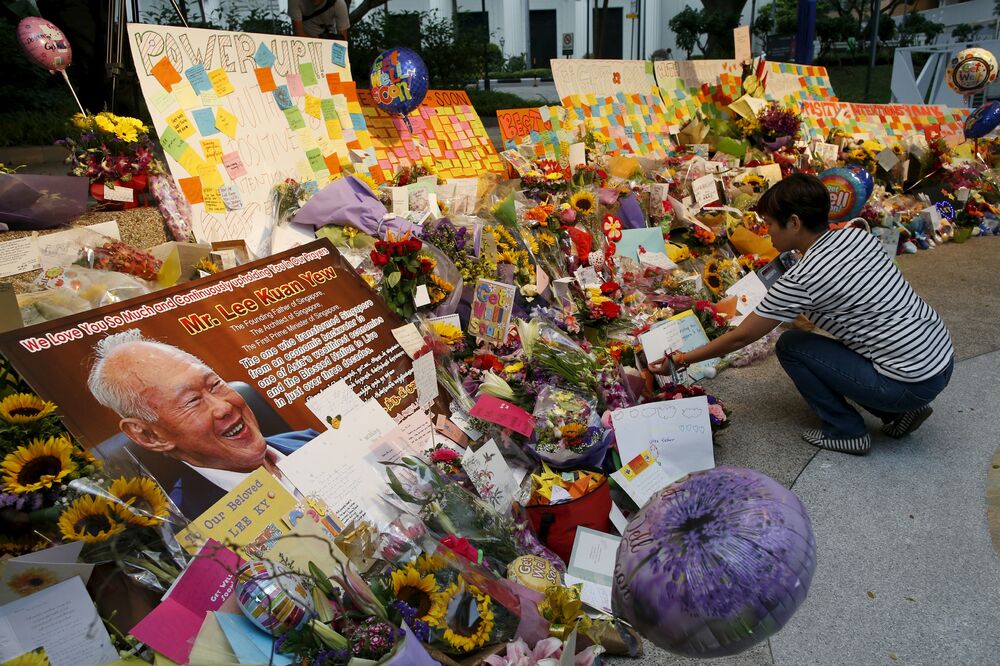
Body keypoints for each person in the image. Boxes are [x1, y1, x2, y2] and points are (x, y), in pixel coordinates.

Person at [651, 174, 954, 455]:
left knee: (791, 346)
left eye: (769, 223)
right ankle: (901, 412)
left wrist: (681, 359)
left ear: (794, 223)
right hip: (939, 358)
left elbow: (740, 337)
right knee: (846, 343)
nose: (766, 232)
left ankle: (846, 430)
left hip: (908, 380)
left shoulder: (804, 278)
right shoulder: (857, 236)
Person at [87, 330, 318, 516]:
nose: (224, 407)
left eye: (214, 384)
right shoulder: (196, 533)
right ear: (150, 436)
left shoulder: (311, 441)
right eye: (192, 401)